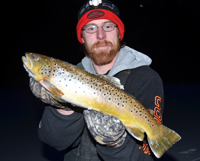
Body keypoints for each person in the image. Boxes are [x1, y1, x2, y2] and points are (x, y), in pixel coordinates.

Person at [30, 0, 164, 160]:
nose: (101, 35)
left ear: (119, 33)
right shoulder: (68, 77)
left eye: (108, 26)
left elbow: (145, 155)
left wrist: (115, 143)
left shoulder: (146, 78)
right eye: (91, 28)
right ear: (82, 37)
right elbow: (54, 142)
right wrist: (62, 106)